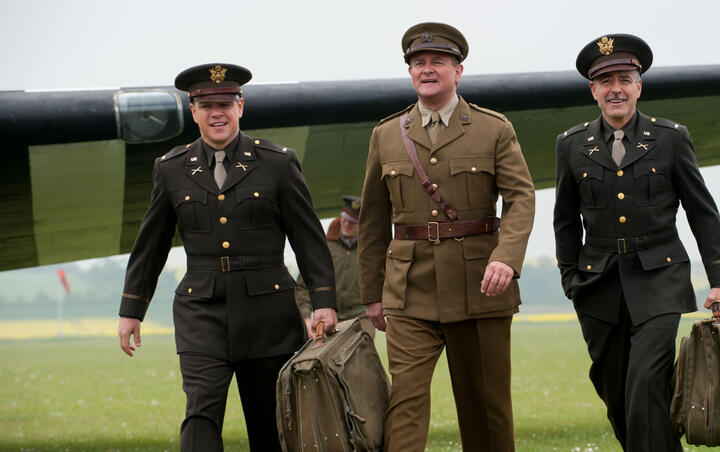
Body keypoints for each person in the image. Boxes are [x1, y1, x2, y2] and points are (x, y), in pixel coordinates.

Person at [116, 63, 338, 452]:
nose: (216, 112)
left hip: (268, 314)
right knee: (200, 412)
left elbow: (308, 238)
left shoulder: (277, 163)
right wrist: (132, 309)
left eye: (225, 103)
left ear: (241, 107)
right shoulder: (170, 169)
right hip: (201, 312)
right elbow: (150, 245)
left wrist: (323, 302)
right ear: (193, 111)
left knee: (270, 421)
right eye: (206, 105)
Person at [358, 22, 535, 452]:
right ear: (410, 73)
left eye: (438, 61)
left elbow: (520, 198)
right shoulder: (386, 134)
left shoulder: (493, 128)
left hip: (480, 286)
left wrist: (506, 258)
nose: (427, 69)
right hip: (409, 288)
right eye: (418, 63)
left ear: (458, 71)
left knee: (485, 409)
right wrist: (372, 293)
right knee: (405, 402)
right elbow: (373, 221)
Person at [553, 34, 720, 451]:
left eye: (625, 78)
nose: (615, 87)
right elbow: (564, 220)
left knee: (647, 381)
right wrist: (570, 279)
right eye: (606, 80)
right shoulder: (572, 145)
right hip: (597, 285)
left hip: (660, 279)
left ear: (639, 85)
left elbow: (702, 211)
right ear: (593, 89)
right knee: (614, 391)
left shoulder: (670, 138)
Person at [295, 195, 371, 337]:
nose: (347, 224)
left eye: (353, 222)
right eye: (345, 219)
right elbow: (303, 286)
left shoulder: (370, 250)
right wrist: (305, 317)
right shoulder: (323, 246)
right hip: (327, 317)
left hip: (361, 317)